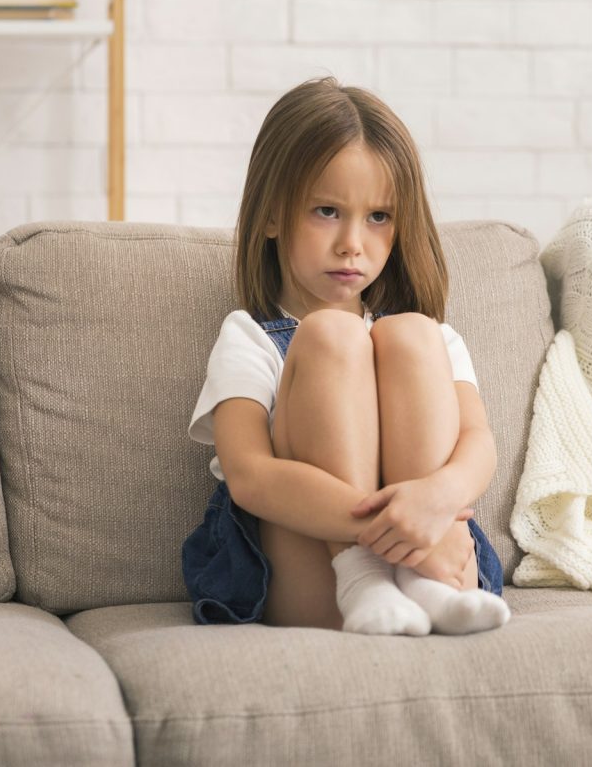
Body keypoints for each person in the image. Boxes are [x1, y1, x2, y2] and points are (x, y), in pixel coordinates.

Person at [181, 77, 511, 637]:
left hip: (437, 562)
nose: (352, 243)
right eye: (327, 211)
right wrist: (396, 530)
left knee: (410, 333)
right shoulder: (249, 337)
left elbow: (479, 444)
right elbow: (251, 479)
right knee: (330, 335)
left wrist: (436, 501)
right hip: (309, 572)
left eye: (378, 217)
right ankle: (366, 581)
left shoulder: (430, 339)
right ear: (270, 217)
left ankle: (425, 588)